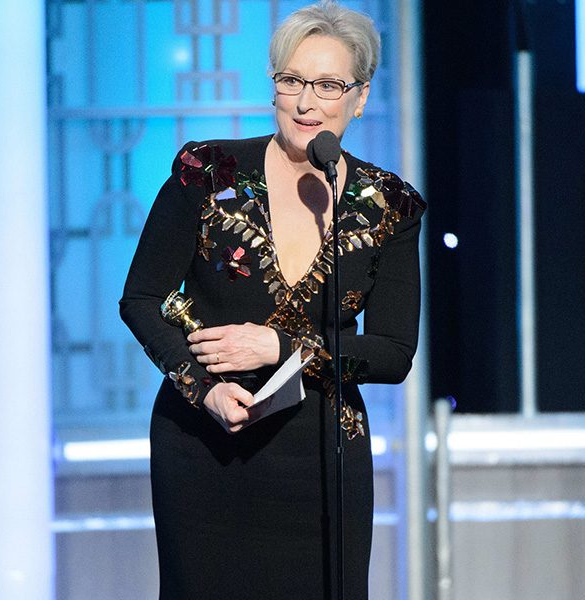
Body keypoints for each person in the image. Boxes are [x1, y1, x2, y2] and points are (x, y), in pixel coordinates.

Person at [119, 1, 425, 598]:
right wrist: (199, 386)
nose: (306, 102)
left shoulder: (389, 204)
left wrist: (282, 346)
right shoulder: (207, 171)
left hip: (319, 455)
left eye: (328, 85)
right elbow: (142, 297)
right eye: (292, 81)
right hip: (205, 443)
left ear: (359, 97)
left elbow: (392, 353)